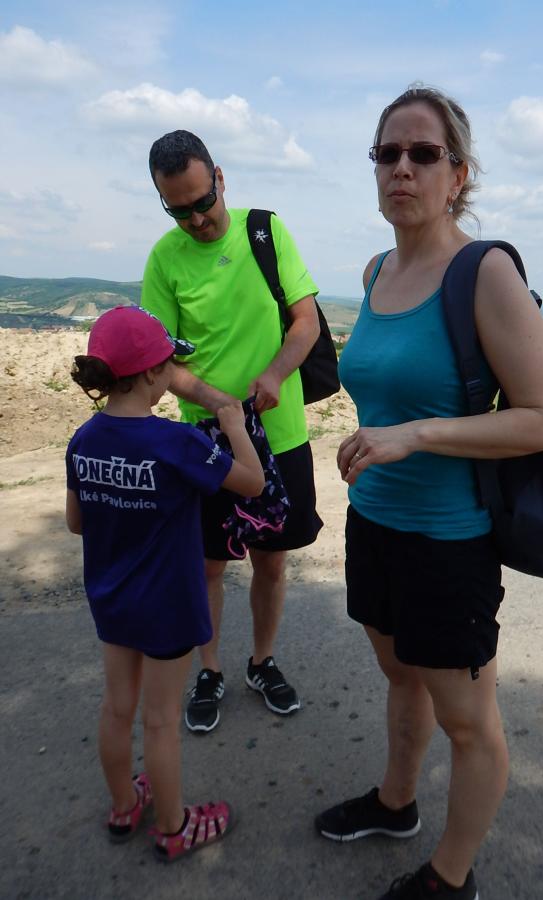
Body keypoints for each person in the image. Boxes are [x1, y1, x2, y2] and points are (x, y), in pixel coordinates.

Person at [315, 86, 543, 900]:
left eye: (423, 153)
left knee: (467, 721)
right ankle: (395, 804)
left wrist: (416, 434)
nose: (402, 167)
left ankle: (450, 878)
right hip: (374, 523)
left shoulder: (483, 272)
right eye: (386, 153)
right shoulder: (375, 270)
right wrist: (378, 436)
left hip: (447, 538)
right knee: (400, 675)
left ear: (457, 174)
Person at [65, 305, 265, 861]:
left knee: (116, 708)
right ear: (154, 373)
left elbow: (76, 522)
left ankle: (124, 805)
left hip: (112, 599)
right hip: (168, 604)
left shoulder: (83, 439)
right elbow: (251, 483)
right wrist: (233, 428)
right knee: (159, 721)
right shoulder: (177, 443)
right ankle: (175, 827)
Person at [141, 130, 323, 732]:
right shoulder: (164, 258)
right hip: (206, 444)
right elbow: (162, 363)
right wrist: (220, 404)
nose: (196, 219)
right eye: (179, 210)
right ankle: (211, 669)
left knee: (272, 561)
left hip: (282, 433)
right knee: (208, 566)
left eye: (203, 201)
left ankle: (262, 662)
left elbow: (304, 322)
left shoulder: (265, 231)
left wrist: (275, 374)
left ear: (220, 178)